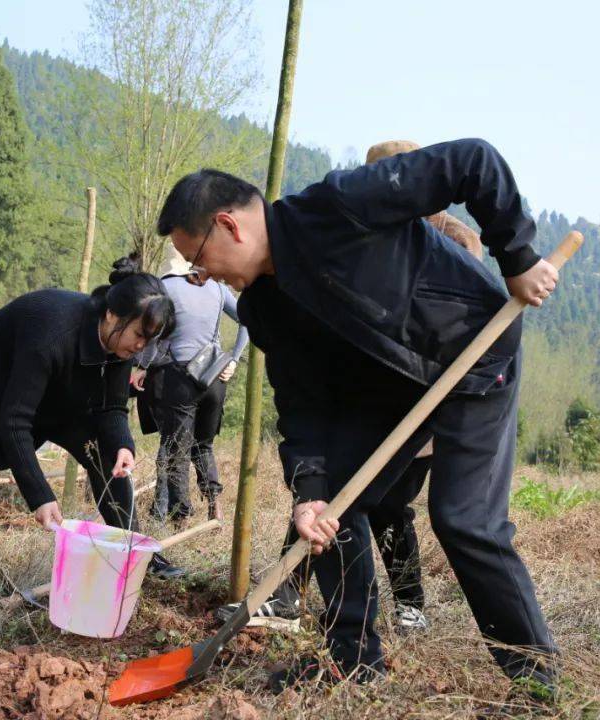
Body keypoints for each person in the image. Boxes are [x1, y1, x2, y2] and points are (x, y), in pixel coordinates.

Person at [157, 138, 560, 695]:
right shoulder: (263, 306)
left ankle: (537, 680)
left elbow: (473, 162)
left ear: (229, 225)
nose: (201, 273)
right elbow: (300, 403)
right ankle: (353, 660)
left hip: (472, 356)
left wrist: (518, 257)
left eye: (198, 257)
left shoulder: (337, 205)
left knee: (463, 519)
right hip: (389, 386)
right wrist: (310, 490)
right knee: (333, 511)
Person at [214, 139, 489, 635]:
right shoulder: (352, 243)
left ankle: (409, 603)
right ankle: (295, 600)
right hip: (361, 407)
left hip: (422, 404)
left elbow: (461, 311)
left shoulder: (449, 238)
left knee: (388, 509)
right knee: (328, 500)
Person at [0, 258, 186, 652]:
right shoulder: (53, 328)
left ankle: (136, 554)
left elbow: (110, 409)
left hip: (49, 402)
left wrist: (124, 444)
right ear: (112, 314)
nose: (140, 347)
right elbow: (13, 421)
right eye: (139, 335)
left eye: (150, 340)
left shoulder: (119, 345)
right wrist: (40, 495)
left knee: (105, 456)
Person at [132, 245, 249, 523]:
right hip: (214, 378)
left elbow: (153, 332)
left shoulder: (164, 289)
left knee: (177, 450)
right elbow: (247, 319)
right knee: (204, 445)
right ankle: (214, 507)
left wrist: (141, 366)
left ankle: (179, 519)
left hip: (181, 378)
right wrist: (233, 358)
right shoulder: (217, 288)